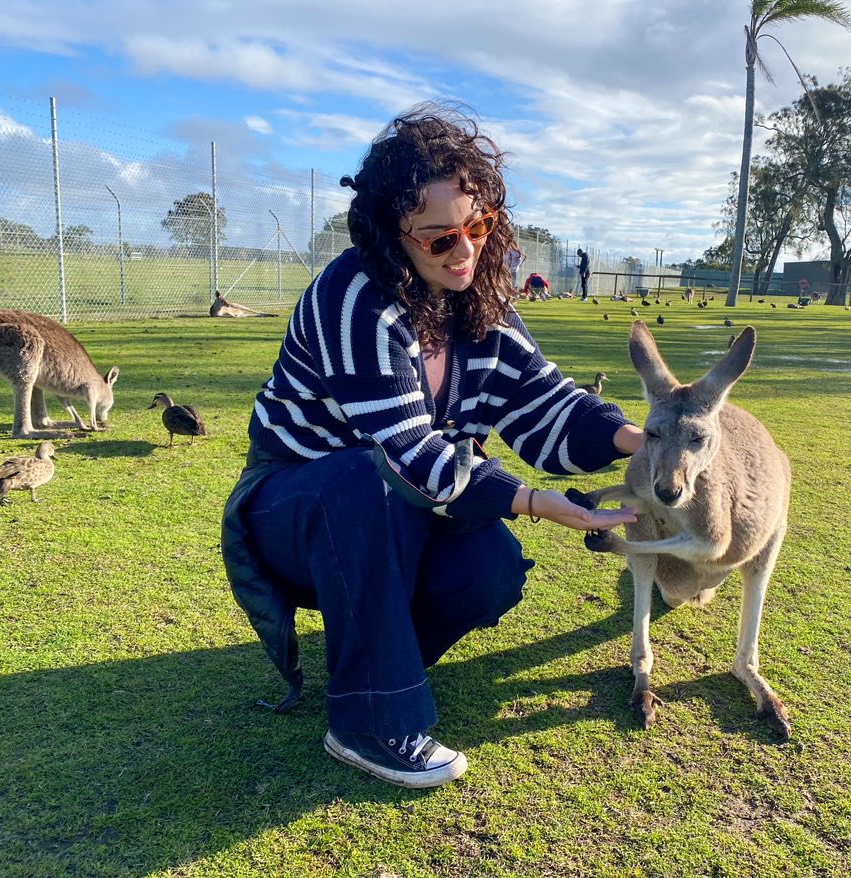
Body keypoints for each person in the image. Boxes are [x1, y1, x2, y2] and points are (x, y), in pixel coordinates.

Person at [221, 103, 642, 790]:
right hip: (296, 508)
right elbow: (410, 454)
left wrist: (641, 441)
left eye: (477, 227)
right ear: (393, 237)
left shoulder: (481, 302)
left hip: (403, 506)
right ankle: (367, 723)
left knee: (491, 568)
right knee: (363, 479)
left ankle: (378, 665)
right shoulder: (354, 297)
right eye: (438, 238)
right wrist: (533, 501)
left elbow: (544, 401)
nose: (466, 251)